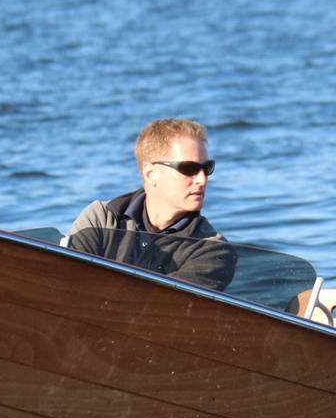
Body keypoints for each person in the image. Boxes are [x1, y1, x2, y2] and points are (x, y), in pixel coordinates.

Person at [67, 118, 236, 291]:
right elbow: (65, 284)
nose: (202, 180)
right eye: (189, 169)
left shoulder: (214, 250)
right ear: (150, 174)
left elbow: (158, 304)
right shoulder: (100, 218)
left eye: (207, 168)